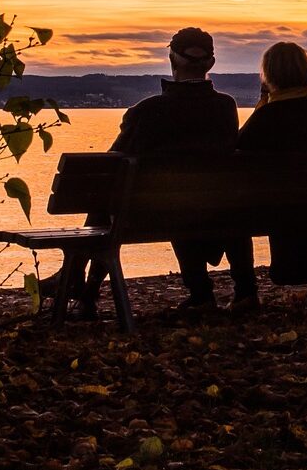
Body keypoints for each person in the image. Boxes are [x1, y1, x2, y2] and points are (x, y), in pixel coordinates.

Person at [109, 27, 257, 314]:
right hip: (221, 211)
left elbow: (110, 163)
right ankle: (245, 291)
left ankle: (201, 293)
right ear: (211, 64)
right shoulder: (226, 107)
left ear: (171, 59)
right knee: (210, 198)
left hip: (163, 214)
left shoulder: (147, 110)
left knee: (127, 196)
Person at [237, 41, 307, 291]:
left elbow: (239, 145)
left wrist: (262, 103)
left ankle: (245, 292)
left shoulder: (268, 115)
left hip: (277, 205)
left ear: (269, 75)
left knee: (234, 216)